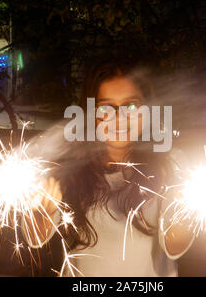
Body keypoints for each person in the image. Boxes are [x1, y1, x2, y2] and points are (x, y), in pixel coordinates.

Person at [23, 59, 194, 276]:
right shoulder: (66, 166)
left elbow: (175, 247)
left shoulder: (171, 164)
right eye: (106, 107)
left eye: (131, 106)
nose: (119, 117)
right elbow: (35, 238)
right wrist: (40, 213)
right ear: (91, 112)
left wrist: (186, 215)